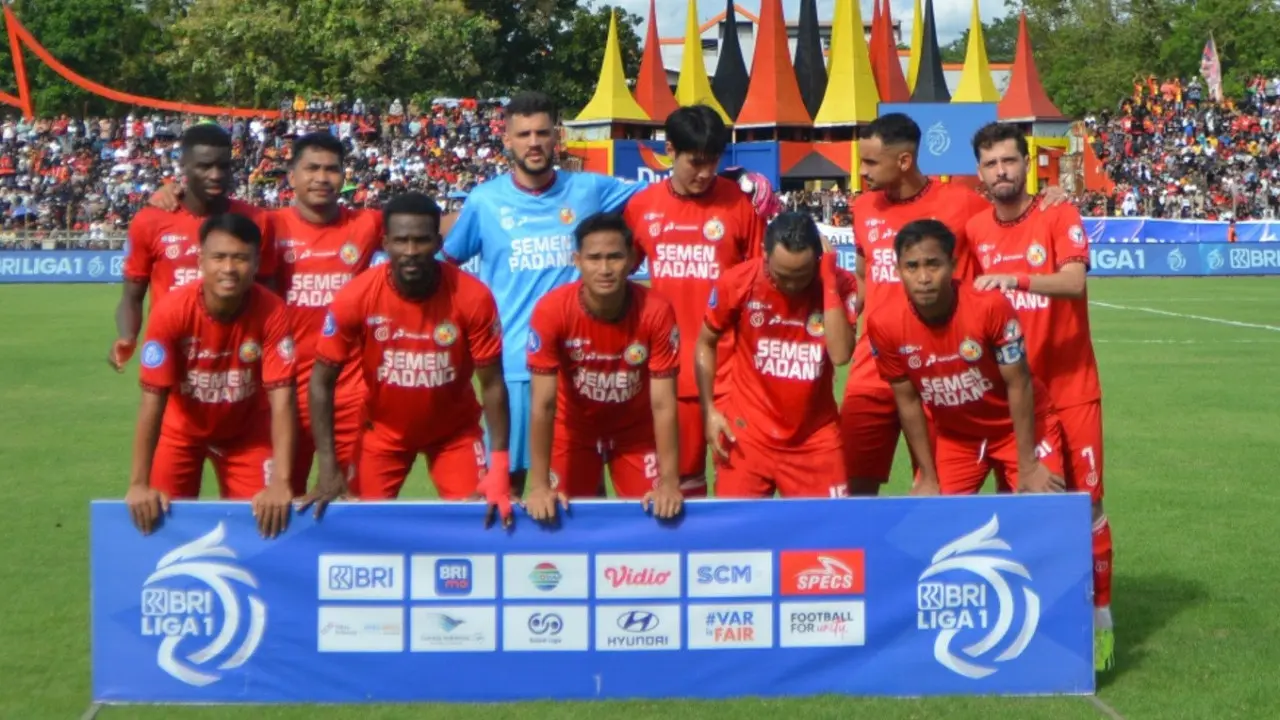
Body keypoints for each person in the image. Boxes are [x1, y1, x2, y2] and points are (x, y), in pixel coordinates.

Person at [842, 112, 1066, 496]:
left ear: (904, 161)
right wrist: (845, 316)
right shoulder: (863, 208)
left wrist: (1049, 198)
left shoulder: (962, 204)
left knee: (934, 491)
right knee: (854, 485)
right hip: (873, 366)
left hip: (940, 372)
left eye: (869, 162)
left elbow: (1009, 219)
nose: (861, 171)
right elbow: (864, 275)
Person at [965, 121, 1114, 672]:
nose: (1001, 171)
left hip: (1072, 389)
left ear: (1026, 164)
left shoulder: (1058, 213)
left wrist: (1014, 280)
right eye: (990, 164)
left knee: (1090, 505)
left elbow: (1074, 281)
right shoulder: (974, 226)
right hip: (1015, 401)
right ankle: (1039, 623)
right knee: (1030, 507)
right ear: (979, 172)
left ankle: (1102, 623)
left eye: (1009, 161)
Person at [442, 91, 645, 496]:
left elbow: (658, 202)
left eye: (542, 132)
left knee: (582, 489)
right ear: (507, 140)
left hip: (582, 366)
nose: (533, 142)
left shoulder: (590, 190)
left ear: (558, 135)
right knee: (512, 486)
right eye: (524, 134)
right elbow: (447, 268)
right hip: (515, 366)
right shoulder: (485, 201)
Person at [303, 193, 514, 527]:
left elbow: (492, 385)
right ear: (385, 242)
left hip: (454, 434)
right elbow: (320, 382)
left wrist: (499, 466)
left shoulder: (473, 296)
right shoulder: (356, 296)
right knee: (359, 528)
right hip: (381, 433)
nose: (412, 251)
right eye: (401, 240)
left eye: (421, 240)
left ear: (438, 241)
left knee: (479, 521)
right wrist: (328, 466)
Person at [621, 105, 765, 498]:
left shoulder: (738, 203)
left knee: (740, 484)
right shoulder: (642, 206)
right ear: (670, 150)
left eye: (713, 162)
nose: (705, 173)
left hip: (733, 373)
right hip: (671, 370)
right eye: (695, 162)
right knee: (683, 486)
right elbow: (617, 277)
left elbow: (760, 286)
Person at [865, 219, 1066, 499]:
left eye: (933, 264)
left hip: (1016, 428)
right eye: (912, 266)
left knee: (1045, 506)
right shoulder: (883, 324)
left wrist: (1028, 465)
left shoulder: (990, 306)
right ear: (899, 269)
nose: (923, 278)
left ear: (953, 264)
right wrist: (928, 476)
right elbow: (908, 401)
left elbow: (1018, 383)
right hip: (957, 438)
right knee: (934, 520)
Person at [124, 213, 296, 539]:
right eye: (219, 257)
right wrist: (138, 484)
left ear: (257, 262)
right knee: (158, 523)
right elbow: (152, 399)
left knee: (264, 524)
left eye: (240, 258)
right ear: (201, 259)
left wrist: (281, 482)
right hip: (181, 432)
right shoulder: (171, 311)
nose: (229, 268)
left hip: (247, 434)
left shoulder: (273, 311)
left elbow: (282, 398)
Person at [523, 213, 684, 520]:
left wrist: (669, 482)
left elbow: (664, 403)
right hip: (573, 432)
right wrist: (539, 485)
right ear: (577, 260)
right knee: (559, 520)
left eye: (615, 257)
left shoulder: (657, 311)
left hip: (635, 434)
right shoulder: (551, 310)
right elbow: (542, 404)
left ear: (632, 259)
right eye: (594, 258)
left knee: (657, 518)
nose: (605, 269)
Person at [694, 212, 858, 497]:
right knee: (741, 539)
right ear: (764, 254)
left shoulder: (839, 283)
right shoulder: (738, 282)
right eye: (782, 276)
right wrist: (709, 410)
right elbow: (705, 342)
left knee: (830, 538)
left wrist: (828, 282)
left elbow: (841, 353)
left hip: (815, 440)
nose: (792, 285)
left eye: (802, 276)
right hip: (747, 435)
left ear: (819, 261)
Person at [271, 133, 384, 497]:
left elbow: (430, 223)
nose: (322, 177)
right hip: (283, 389)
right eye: (312, 168)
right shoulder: (268, 226)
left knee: (353, 503)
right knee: (282, 503)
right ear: (291, 176)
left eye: (332, 169)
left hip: (350, 389)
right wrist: (169, 196)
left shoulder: (367, 224)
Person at [110, 125, 273, 372]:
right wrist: (127, 336)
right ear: (184, 166)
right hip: (172, 357)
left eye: (224, 166)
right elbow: (132, 296)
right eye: (205, 166)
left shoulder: (257, 220)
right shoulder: (151, 221)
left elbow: (270, 294)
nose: (216, 174)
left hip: (237, 359)